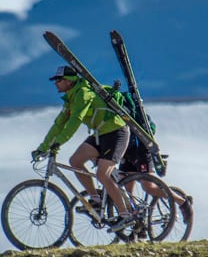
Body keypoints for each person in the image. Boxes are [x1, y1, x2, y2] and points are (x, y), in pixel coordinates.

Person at [31, 65, 133, 231]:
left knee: (102, 173)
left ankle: (126, 215)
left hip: (117, 132)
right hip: (101, 134)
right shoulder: (70, 98)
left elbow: (75, 120)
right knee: (75, 161)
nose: (55, 83)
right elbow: (59, 125)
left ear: (69, 81)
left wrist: (59, 142)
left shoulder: (83, 94)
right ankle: (96, 200)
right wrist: (43, 147)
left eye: (58, 80)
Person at [118, 135, 193, 224]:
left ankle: (182, 202)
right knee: (125, 191)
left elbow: (149, 128)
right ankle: (137, 223)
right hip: (126, 151)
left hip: (141, 150)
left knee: (148, 187)